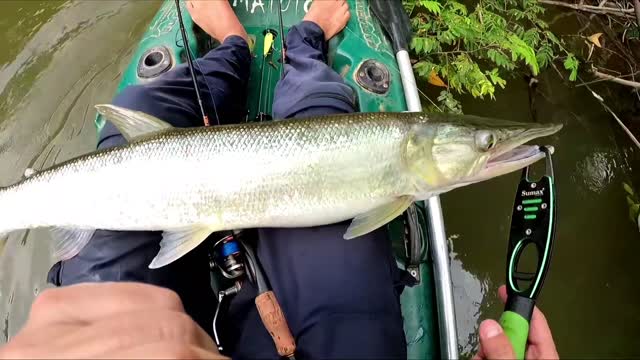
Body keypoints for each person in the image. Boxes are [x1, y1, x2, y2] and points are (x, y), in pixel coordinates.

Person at [0, 1, 559, 359]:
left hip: (128, 309)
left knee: (159, 108)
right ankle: (302, 43)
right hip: (343, 338)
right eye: (484, 143)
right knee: (318, 111)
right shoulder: (400, 182)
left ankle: (235, 49)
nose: (493, 147)